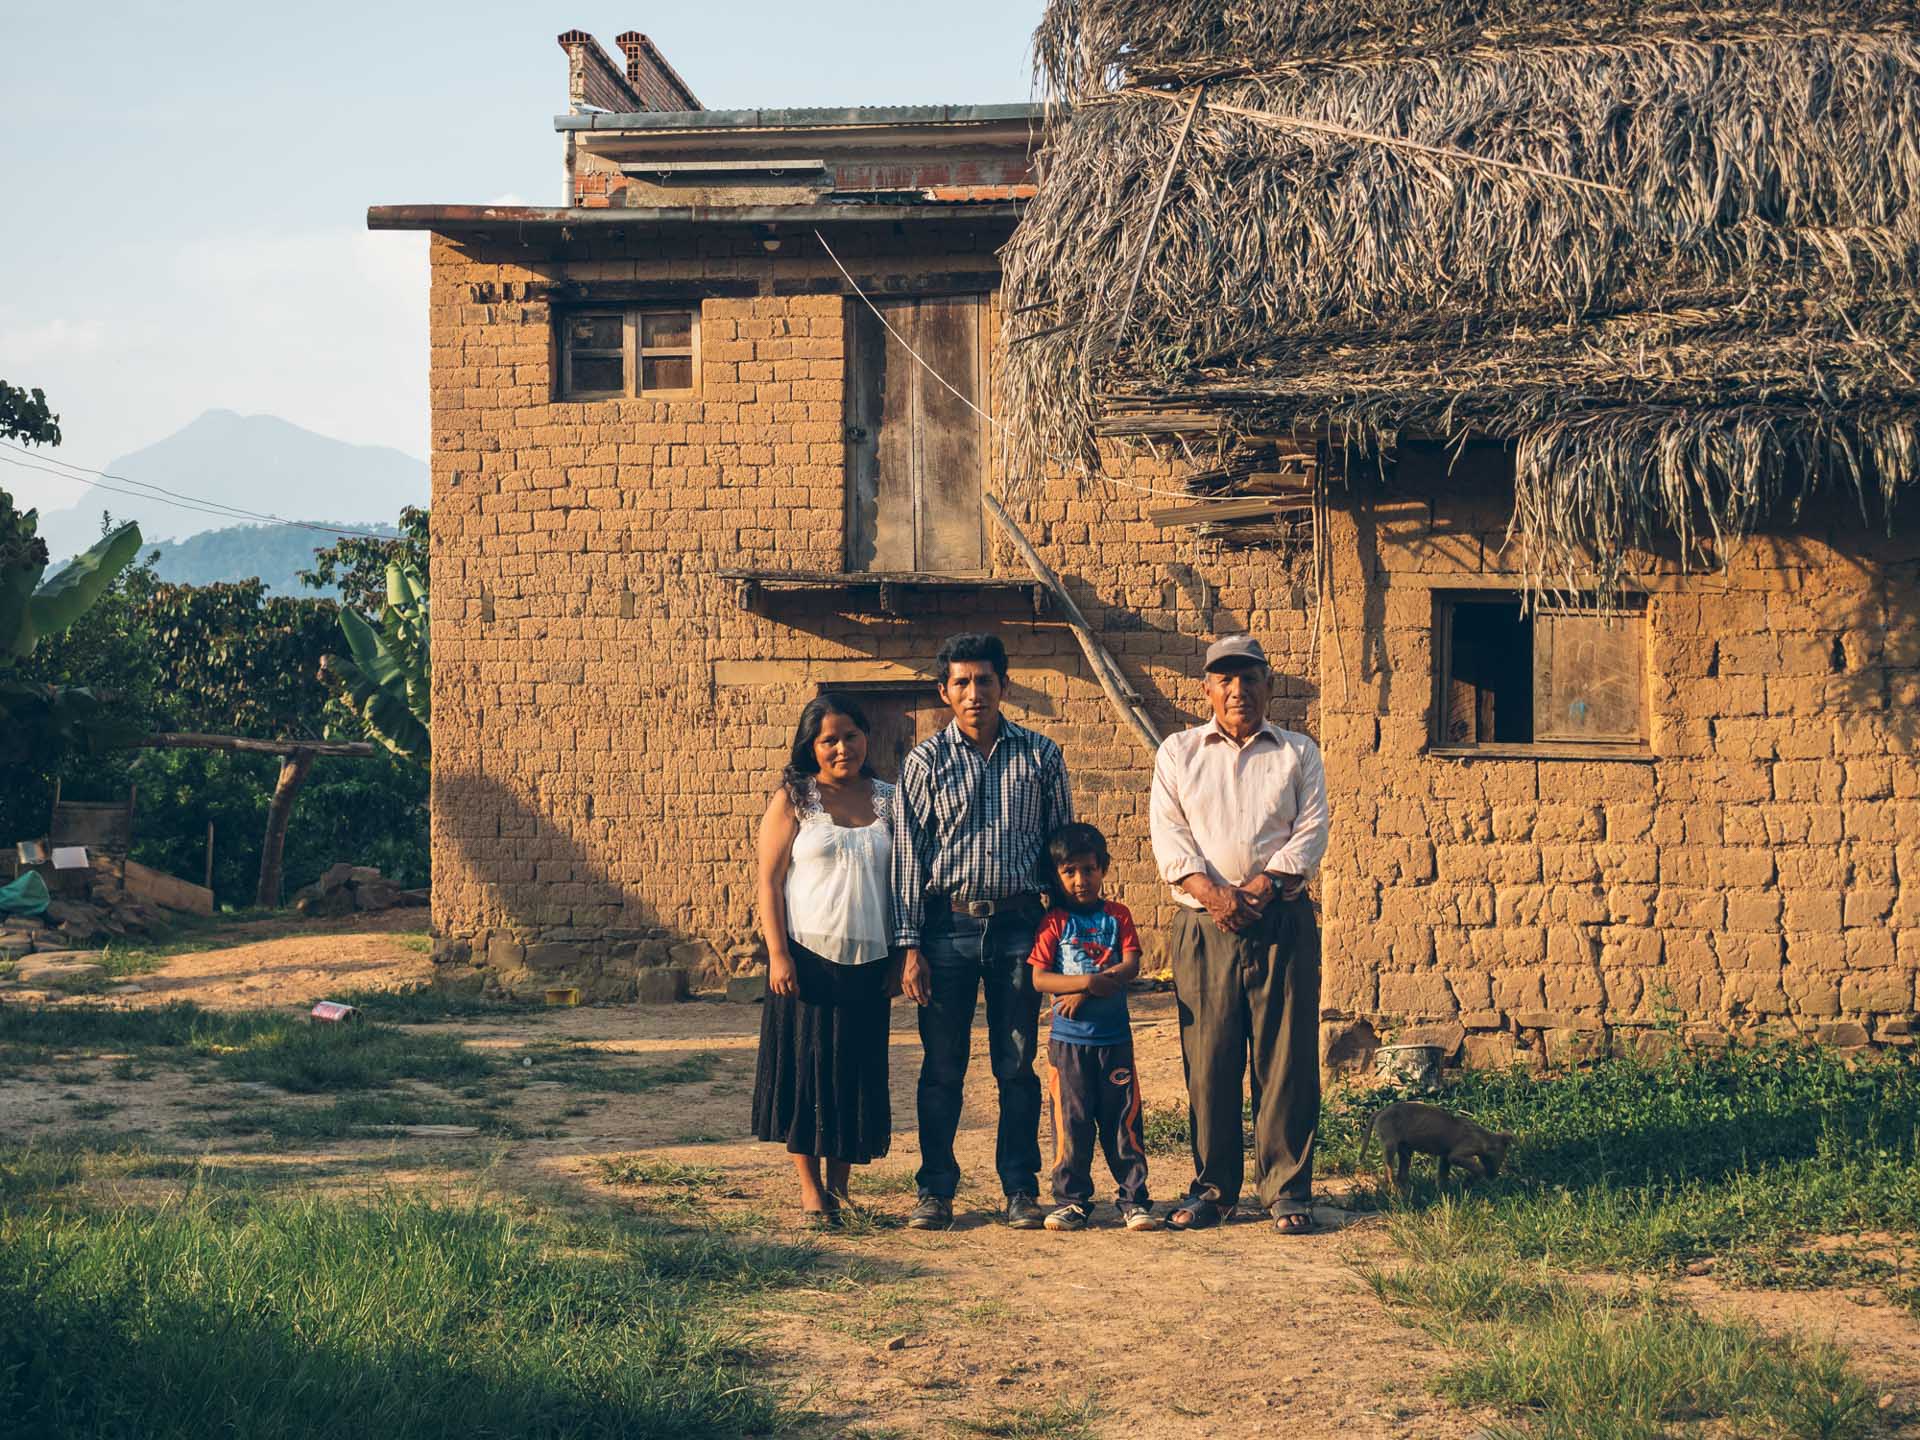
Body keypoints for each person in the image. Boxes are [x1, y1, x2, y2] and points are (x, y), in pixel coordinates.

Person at [1148, 635, 1330, 1236]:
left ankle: (1285, 1189)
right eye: (1225, 679)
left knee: (1286, 1058)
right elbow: (1171, 838)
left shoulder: (1298, 752)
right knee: (1210, 1059)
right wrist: (1216, 895)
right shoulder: (1178, 752)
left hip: (1283, 920)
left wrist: (1263, 888)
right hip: (1205, 926)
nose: (1237, 690)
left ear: (1268, 686)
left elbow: (1310, 833)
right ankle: (1215, 1189)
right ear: (1206, 689)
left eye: (1249, 678)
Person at [892, 632, 1073, 1231]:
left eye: (985, 680)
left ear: (1005, 684)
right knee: (942, 1066)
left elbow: (1062, 853)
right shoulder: (924, 763)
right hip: (946, 928)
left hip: (1021, 927)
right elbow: (908, 860)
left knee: (1017, 1064)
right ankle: (936, 1190)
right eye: (962, 683)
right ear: (944, 692)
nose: (975, 693)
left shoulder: (1041, 757)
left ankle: (1020, 1188)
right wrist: (910, 946)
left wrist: (1064, 939)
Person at [750, 693, 897, 1226]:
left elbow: (902, 883)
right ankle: (812, 1194)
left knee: (853, 1073)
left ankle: (842, 1188)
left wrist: (901, 955)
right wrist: (778, 954)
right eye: (829, 739)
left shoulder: (889, 800)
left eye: (851, 736)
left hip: (870, 960)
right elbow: (769, 881)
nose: (842, 748)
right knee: (808, 1073)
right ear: (811, 745)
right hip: (806, 960)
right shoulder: (795, 799)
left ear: (867, 739)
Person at [1027, 821, 1160, 1233]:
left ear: (1103, 868)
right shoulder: (1054, 923)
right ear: (1057, 875)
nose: (1080, 880)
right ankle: (1071, 1201)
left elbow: (1130, 964)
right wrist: (1085, 982)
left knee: (1123, 1121)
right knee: (1072, 1122)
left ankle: (1134, 1199)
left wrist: (1089, 991)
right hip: (1068, 1046)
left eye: (1088, 869)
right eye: (1069, 872)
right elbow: (1040, 979)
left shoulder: (1117, 916)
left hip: (1114, 1041)